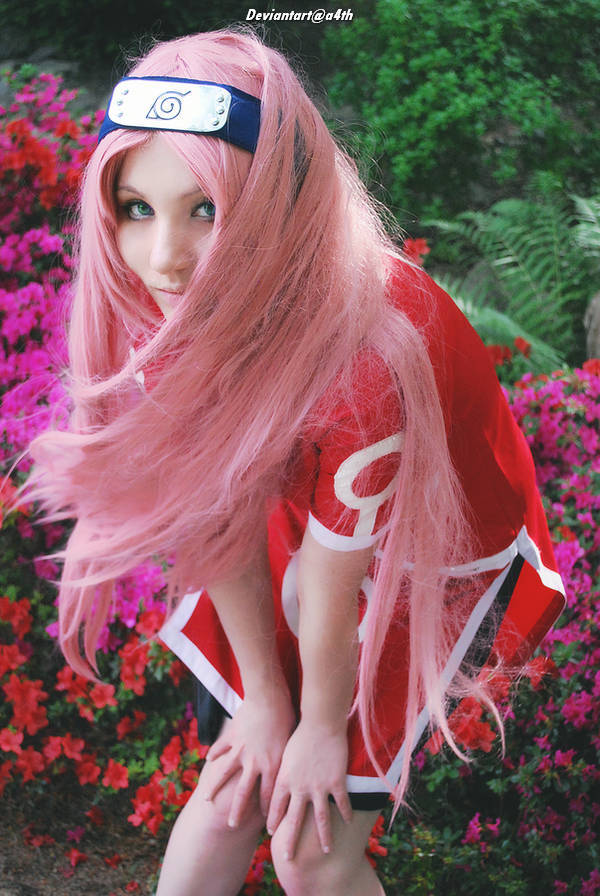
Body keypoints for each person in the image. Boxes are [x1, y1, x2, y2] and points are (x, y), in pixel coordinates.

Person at [25, 29, 565, 896]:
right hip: (313, 515)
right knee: (235, 790)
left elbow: (337, 569)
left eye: (205, 208)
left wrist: (316, 720)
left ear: (279, 200)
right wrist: (266, 704)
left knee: (313, 851)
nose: (163, 257)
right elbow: (216, 512)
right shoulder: (164, 303)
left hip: (431, 538)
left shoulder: (372, 351)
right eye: (136, 208)